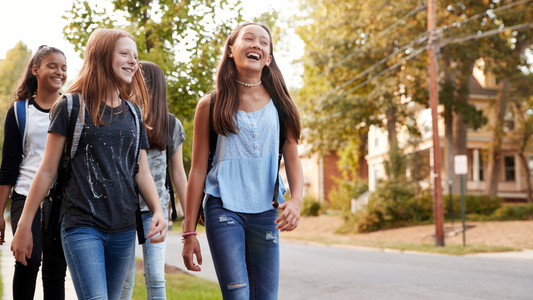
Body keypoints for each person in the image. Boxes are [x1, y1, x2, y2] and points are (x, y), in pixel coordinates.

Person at [10, 28, 167, 300]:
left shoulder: (133, 112)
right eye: (124, 54)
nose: (133, 61)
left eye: (136, 56)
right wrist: (24, 224)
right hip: (81, 223)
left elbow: (141, 172)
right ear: (101, 56)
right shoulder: (70, 105)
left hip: (124, 228)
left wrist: (158, 211)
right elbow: (47, 170)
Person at [182, 22, 304, 300]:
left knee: (266, 297)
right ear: (230, 50)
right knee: (237, 296)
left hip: (266, 213)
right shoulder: (210, 104)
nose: (256, 45)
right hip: (223, 208)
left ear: (269, 59)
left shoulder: (282, 105)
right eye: (248, 39)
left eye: (263, 42)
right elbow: (198, 170)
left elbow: (293, 158)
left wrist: (296, 200)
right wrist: (189, 231)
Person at [0, 45, 68, 300]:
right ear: (35, 69)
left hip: (60, 202)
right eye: (52, 66)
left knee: (55, 272)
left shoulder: (72, 108)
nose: (59, 72)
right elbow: (8, 167)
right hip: (24, 195)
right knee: (28, 260)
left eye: (63, 68)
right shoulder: (19, 112)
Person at [121, 61, 187, 299]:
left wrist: (189, 214)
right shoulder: (122, 118)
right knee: (125, 280)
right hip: (122, 211)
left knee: (156, 277)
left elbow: (179, 173)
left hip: (154, 211)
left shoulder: (171, 124)